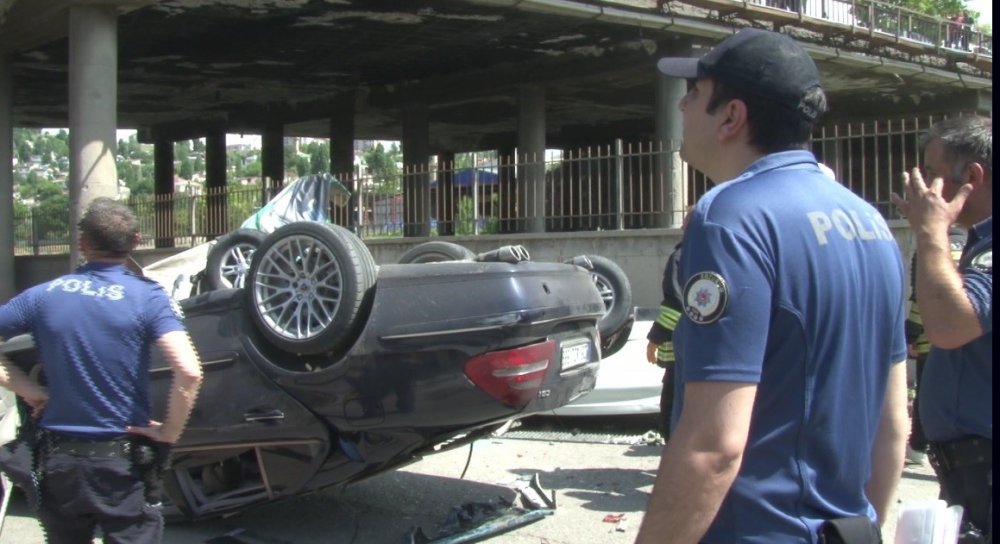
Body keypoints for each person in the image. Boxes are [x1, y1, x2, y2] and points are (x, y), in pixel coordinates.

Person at [636, 29, 909, 543]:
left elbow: (714, 446)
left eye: (694, 93)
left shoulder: (730, 218)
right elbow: (892, 423)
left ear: (731, 117)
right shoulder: (869, 221)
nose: (681, 107)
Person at [0, 197, 204, 543]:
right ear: (136, 241)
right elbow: (190, 372)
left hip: (57, 464)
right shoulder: (148, 298)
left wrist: (29, 390)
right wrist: (169, 432)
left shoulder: (43, 295)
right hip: (121, 465)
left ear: (82, 244)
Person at [892, 115, 992, 543]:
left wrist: (931, 232)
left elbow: (951, 325)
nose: (925, 188)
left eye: (933, 174)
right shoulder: (978, 241)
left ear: (972, 178)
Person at [903, 228, 966, 467]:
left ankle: (919, 445)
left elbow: (923, 296)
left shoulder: (929, 246)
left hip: (932, 337)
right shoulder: (972, 244)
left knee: (927, 394)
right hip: (967, 337)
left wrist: (911, 334)